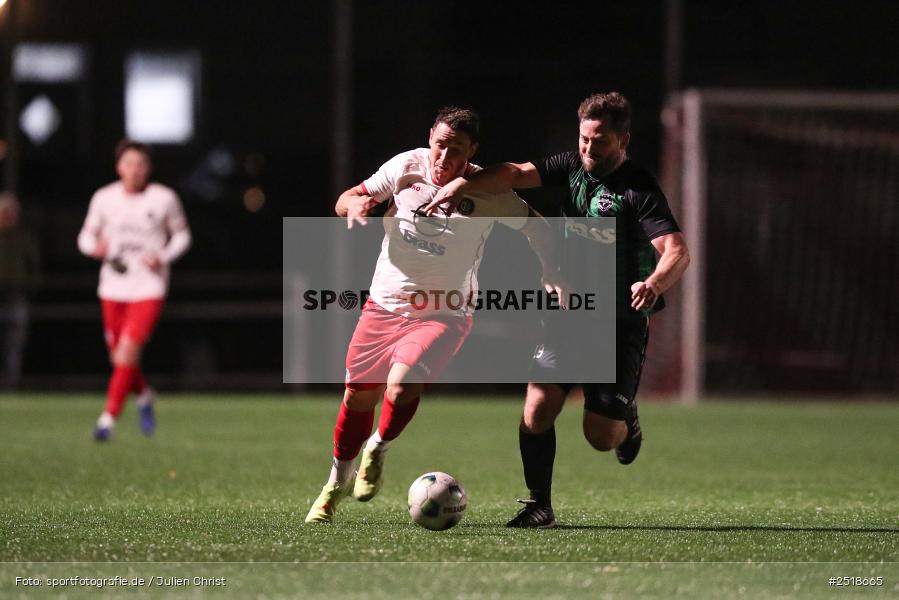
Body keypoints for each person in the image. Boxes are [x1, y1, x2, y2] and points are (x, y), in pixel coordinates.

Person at [429, 92, 691, 528]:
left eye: (600, 141)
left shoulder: (637, 188)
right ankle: (539, 506)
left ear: (623, 139)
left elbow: (677, 250)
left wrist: (653, 283)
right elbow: (514, 173)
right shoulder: (570, 166)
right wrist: (463, 184)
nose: (589, 148)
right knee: (535, 411)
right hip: (568, 313)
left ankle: (626, 419)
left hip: (618, 322)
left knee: (601, 437)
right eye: (585, 138)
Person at [305, 106, 561, 524]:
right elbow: (346, 198)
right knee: (357, 396)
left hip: (444, 312)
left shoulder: (488, 190)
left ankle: (379, 447)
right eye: (440, 145)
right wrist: (354, 206)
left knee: (402, 383)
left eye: (456, 150)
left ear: (472, 151)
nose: (444, 158)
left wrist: (551, 269)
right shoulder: (405, 166)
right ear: (430, 138)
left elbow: (539, 227)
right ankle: (334, 485)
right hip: (384, 305)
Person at [77, 140, 191, 441]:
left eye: (140, 164)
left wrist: (162, 256)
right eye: (129, 163)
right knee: (121, 360)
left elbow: (182, 236)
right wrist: (95, 248)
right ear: (119, 167)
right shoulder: (104, 198)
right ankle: (144, 396)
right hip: (112, 287)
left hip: (148, 286)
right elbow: (85, 237)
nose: (135, 169)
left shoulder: (163, 198)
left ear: (148, 168)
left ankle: (107, 420)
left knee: (127, 352)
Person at [0, 193, 39, 390]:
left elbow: (34, 266)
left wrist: (28, 288)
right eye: (4, 212)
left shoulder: (23, 238)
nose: (8, 216)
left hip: (15, 297)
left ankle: (11, 385)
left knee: (14, 347)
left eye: (11, 213)